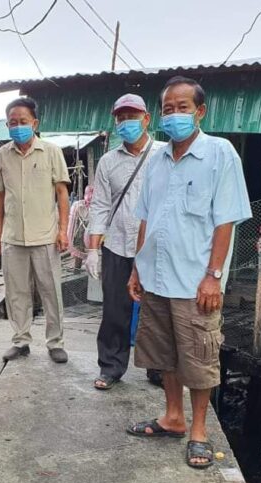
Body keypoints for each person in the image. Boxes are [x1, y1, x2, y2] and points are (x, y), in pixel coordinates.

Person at [126, 76, 252, 469]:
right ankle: (172, 417)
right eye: (168, 108)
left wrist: (214, 275)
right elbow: (146, 217)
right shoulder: (157, 160)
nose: (174, 115)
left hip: (195, 282)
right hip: (156, 278)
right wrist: (137, 267)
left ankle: (199, 431)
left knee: (199, 358)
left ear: (200, 112)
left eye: (183, 107)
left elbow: (226, 220)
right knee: (163, 354)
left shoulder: (220, 153)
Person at [0, 97, 71, 363]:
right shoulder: (1, 156)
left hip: (46, 236)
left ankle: (55, 343)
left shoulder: (52, 152)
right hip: (13, 237)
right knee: (16, 293)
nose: (18, 127)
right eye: (12, 122)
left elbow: (62, 192)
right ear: (7, 125)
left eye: (23, 121)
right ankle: (21, 341)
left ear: (35, 123)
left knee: (51, 292)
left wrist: (63, 230)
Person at [86, 94, 155, 390]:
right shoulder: (108, 161)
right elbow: (100, 205)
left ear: (146, 119)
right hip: (117, 244)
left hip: (155, 248)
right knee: (115, 309)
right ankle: (111, 367)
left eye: (132, 116)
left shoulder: (164, 155)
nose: (126, 122)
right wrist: (92, 249)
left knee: (156, 311)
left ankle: (158, 369)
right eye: (121, 117)